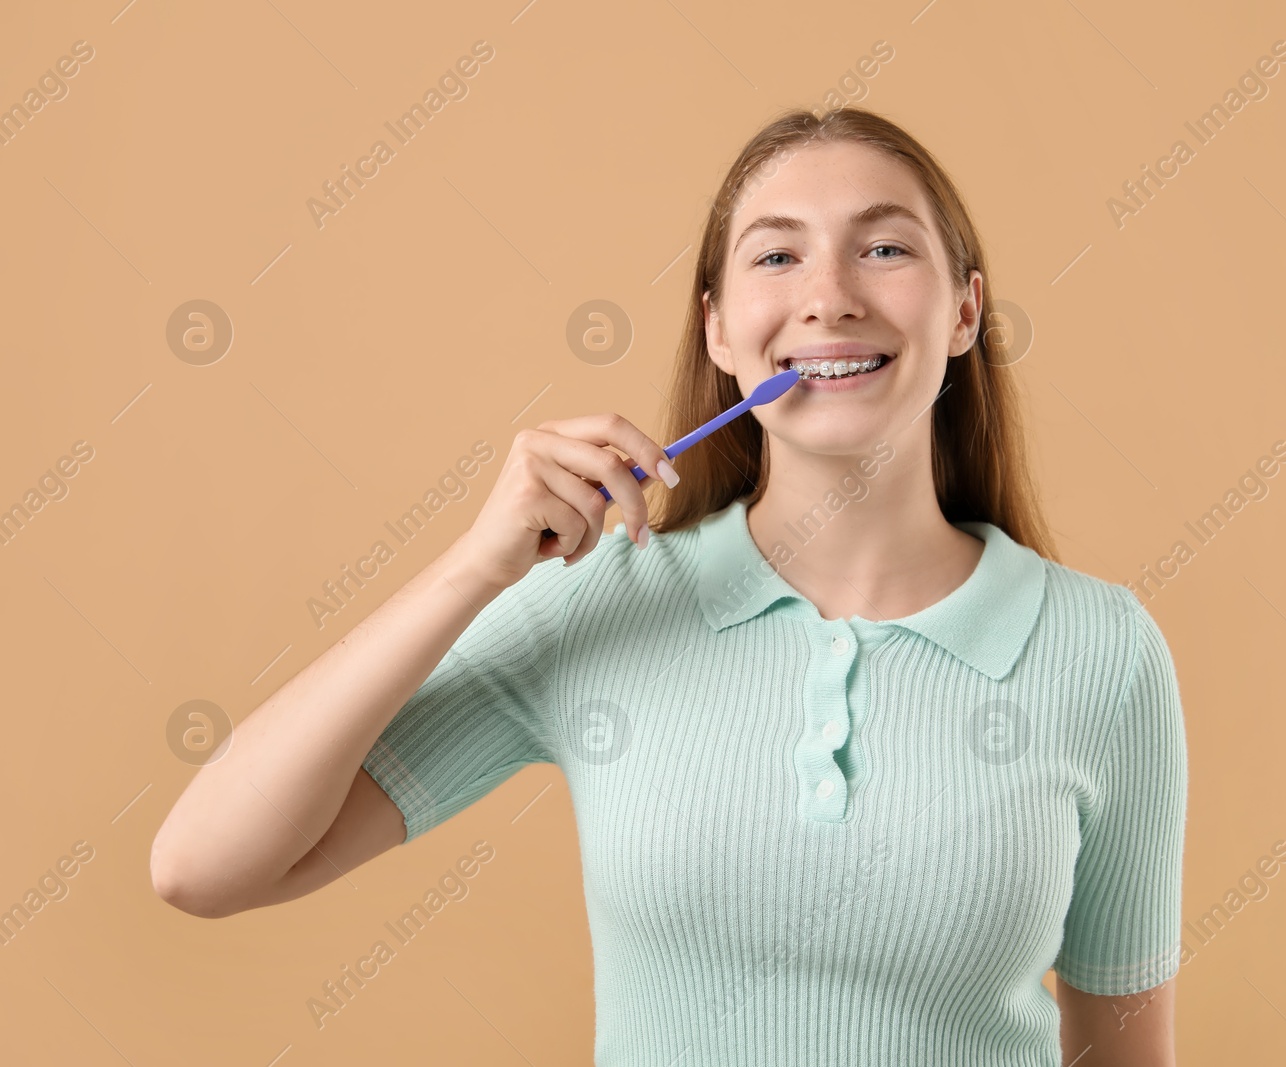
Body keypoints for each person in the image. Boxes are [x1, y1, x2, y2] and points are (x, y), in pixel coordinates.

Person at [150, 105, 1186, 1066]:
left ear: (964, 312)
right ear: (720, 333)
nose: (829, 295)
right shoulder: (605, 601)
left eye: (884, 247)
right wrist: (474, 566)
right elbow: (201, 865)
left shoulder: (1102, 650)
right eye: (777, 255)